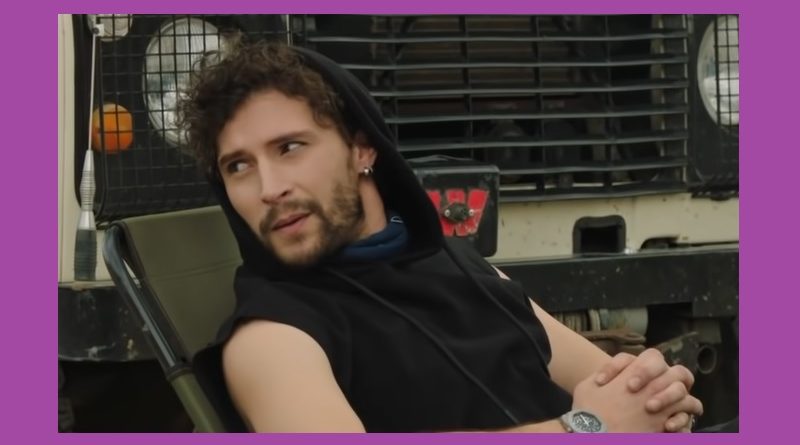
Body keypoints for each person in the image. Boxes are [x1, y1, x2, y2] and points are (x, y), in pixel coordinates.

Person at [182, 40, 703, 433]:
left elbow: (613, 381)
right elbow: (600, 419)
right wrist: (585, 428)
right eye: (238, 166)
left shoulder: (458, 265)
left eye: (290, 147)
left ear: (362, 149)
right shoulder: (273, 338)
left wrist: (657, 392)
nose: (268, 189)